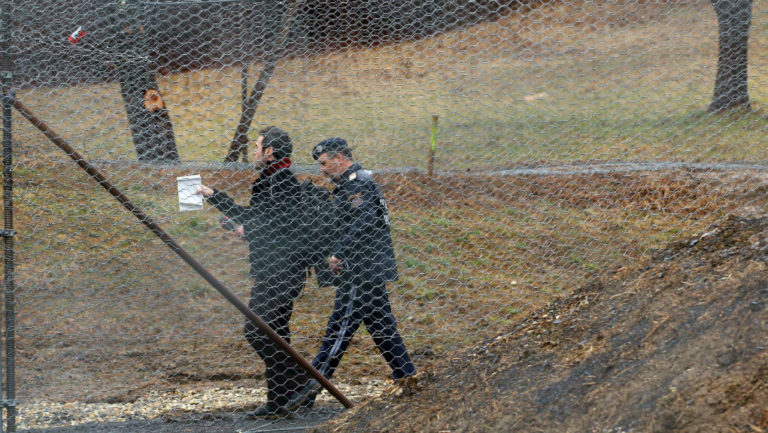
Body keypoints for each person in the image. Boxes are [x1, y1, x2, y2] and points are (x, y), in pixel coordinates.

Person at [286, 137, 417, 409]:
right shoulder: (352, 183)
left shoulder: (356, 184)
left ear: (339, 158)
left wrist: (339, 253)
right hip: (369, 269)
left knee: (339, 329)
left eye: (324, 163)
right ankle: (408, 377)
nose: (321, 170)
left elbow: (364, 221)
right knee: (383, 328)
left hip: (361, 270)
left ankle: (311, 387)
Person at [197, 126, 312, 418]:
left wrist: (252, 229)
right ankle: (279, 402)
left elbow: (288, 223)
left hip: (282, 269)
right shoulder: (271, 179)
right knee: (277, 334)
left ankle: (303, 381)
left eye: (258, 146)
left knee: (257, 332)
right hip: (273, 267)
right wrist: (212, 195)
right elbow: (255, 217)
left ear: (269, 151)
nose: (254, 151)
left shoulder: (281, 180)